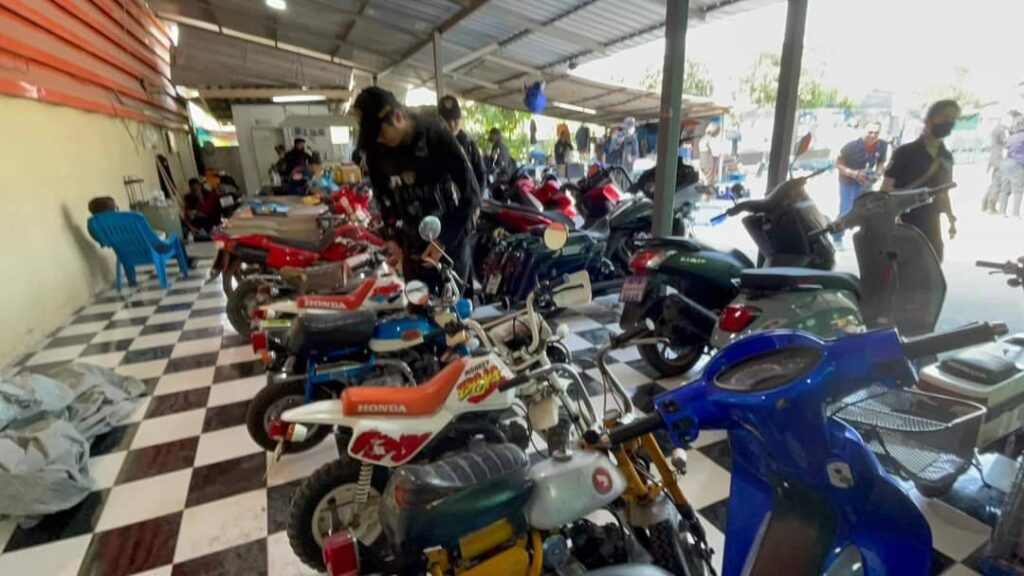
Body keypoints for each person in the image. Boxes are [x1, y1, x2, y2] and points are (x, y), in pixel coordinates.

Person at [353, 87, 480, 294]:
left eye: (380, 133)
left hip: (449, 243)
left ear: (398, 117)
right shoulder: (377, 150)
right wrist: (391, 237)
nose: (378, 140)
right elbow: (383, 195)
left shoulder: (436, 136)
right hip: (412, 244)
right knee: (417, 302)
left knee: (453, 306)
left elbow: (471, 192)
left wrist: (443, 240)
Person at [882, 99, 960, 261]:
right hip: (904, 222)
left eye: (953, 120)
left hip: (932, 223)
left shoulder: (946, 157)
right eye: (945, 118)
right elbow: (885, 191)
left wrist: (950, 217)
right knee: (906, 267)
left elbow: (944, 191)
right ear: (929, 120)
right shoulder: (905, 153)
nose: (949, 123)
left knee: (933, 263)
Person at [834, 122, 889, 246]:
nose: (873, 135)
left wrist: (877, 174)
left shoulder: (882, 145)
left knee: (870, 210)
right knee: (846, 210)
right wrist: (854, 174)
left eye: (876, 133)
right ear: (863, 131)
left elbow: (881, 163)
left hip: (867, 182)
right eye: (870, 132)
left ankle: (868, 238)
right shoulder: (850, 147)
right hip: (849, 182)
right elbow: (838, 164)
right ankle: (837, 238)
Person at [438, 95, 487, 195]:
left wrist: (477, 200)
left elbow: (481, 174)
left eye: (455, 119)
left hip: (467, 201)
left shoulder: (470, 145)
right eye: (447, 120)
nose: (452, 124)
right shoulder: (434, 144)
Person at [996, 115, 1024, 218]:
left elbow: (1005, 150)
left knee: (1004, 189)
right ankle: (1015, 214)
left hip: (1006, 163)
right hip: (1017, 164)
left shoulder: (1010, 138)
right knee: (1018, 189)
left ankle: (1001, 212)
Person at [699, 121, 725, 185]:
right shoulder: (710, 139)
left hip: (704, 162)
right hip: (708, 162)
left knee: (705, 179)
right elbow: (715, 153)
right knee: (708, 181)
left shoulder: (704, 138)